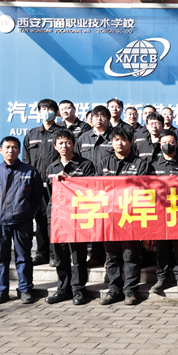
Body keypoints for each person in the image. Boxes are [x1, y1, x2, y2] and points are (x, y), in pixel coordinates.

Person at [97, 128, 153, 305]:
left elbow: (145, 190)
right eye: (116, 139)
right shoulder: (104, 163)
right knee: (111, 256)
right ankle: (114, 290)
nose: (119, 143)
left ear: (130, 142)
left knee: (130, 255)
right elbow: (95, 188)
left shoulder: (140, 164)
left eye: (123, 140)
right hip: (109, 218)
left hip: (130, 217)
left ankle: (130, 290)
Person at [0, 136, 43, 305]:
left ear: (19, 150)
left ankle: (25, 290)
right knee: (0, 259)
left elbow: (37, 196)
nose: (11, 150)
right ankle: (1, 292)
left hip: (22, 221)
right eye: (7, 147)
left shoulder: (30, 171)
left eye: (14, 147)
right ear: (1, 150)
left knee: (23, 257)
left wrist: (27, 211)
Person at [44, 130, 95, 305]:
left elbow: (90, 190)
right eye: (60, 143)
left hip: (77, 216)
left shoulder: (86, 165)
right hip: (57, 218)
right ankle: (63, 289)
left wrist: (71, 180)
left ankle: (79, 289)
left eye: (67, 142)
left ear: (73, 144)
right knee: (60, 256)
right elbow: (47, 194)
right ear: (55, 146)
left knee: (78, 256)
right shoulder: (51, 168)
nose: (64, 146)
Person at [149, 130, 178, 294]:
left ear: (177, 144)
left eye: (171, 142)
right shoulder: (153, 164)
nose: (168, 145)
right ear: (159, 144)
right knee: (162, 246)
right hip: (160, 212)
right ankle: (162, 277)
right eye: (164, 142)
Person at [22, 98, 64, 266]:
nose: (47, 112)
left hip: (57, 184)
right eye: (43, 109)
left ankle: (55, 254)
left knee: (55, 219)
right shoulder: (31, 134)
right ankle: (42, 253)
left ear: (56, 112)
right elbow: (26, 161)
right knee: (40, 219)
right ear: (39, 112)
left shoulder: (62, 133)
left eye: (50, 109)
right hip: (37, 184)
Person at [74, 105, 113, 267]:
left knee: (110, 223)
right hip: (89, 188)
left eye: (103, 116)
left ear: (108, 119)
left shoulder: (115, 137)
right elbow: (76, 160)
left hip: (110, 188)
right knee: (95, 221)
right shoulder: (83, 138)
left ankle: (110, 257)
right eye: (96, 116)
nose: (99, 119)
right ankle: (96, 255)